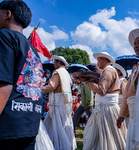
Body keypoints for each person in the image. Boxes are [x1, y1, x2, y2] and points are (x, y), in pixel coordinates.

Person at [0, 1, 44, 149]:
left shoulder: (4, 37)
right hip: (29, 126)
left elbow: (3, 85)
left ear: (7, 14)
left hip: (6, 128)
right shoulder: (34, 51)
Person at [82, 52, 127, 150]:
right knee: (106, 134)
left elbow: (101, 90)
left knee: (107, 135)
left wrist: (87, 82)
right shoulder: (107, 71)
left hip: (106, 109)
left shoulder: (109, 71)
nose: (97, 63)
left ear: (103, 59)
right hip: (105, 107)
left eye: (98, 60)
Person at [43, 55, 76, 150]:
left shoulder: (57, 73)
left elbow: (52, 86)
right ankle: (62, 144)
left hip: (58, 100)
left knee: (57, 123)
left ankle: (57, 145)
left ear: (59, 62)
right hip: (64, 101)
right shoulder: (66, 73)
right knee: (63, 122)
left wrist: (39, 90)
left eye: (55, 62)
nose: (54, 64)